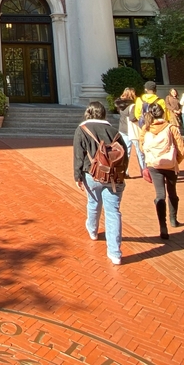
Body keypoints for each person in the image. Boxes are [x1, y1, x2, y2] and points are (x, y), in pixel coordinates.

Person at [73, 101, 129, 265]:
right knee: (113, 212)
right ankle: (115, 253)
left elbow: (78, 155)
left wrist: (77, 176)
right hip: (114, 176)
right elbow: (124, 155)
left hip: (92, 173)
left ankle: (92, 230)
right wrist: (121, 173)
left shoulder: (82, 130)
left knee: (94, 202)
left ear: (88, 113)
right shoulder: (114, 131)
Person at [141, 101, 184, 239]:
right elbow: (181, 149)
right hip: (170, 164)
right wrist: (174, 161)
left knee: (160, 195)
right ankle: (173, 219)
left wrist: (151, 159)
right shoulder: (171, 127)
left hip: (154, 165)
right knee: (172, 193)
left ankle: (163, 226)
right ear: (163, 112)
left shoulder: (146, 128)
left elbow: (142, 146)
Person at [115, 87, 145, 175]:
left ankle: (124, 171)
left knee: (125, 151)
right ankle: (143, 170)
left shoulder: (120, 105)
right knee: (140, 151)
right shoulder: (133, 106)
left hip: (122, 129)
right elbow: (132, 118)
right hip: (133, 130)